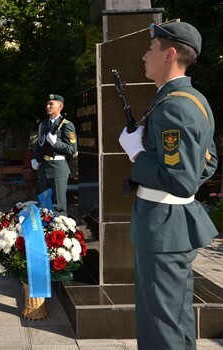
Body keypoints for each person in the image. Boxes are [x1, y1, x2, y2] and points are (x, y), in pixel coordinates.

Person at [118, 21, 218, 350]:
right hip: (170, 223)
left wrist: (137, 155)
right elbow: (210, 161)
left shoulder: (175, 106)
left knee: (161, 324)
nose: (145, 56)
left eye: (152, 49)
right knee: (174, 318)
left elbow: (180, 178)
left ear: (169, 54)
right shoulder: (192, 100)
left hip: (163, 224)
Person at [31, 94, 77, 212]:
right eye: (47, 104)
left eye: (51, 104)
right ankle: (46, 229)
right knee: (44, 206)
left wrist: (56, 143)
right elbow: (40, 145)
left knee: (58, 207)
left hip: (58, 169)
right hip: (44, 168)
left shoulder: (66, 125)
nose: (48, 106)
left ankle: (59, 230)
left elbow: (72, 149)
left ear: (60, 106)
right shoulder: (44, 125)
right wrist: (34, 158)